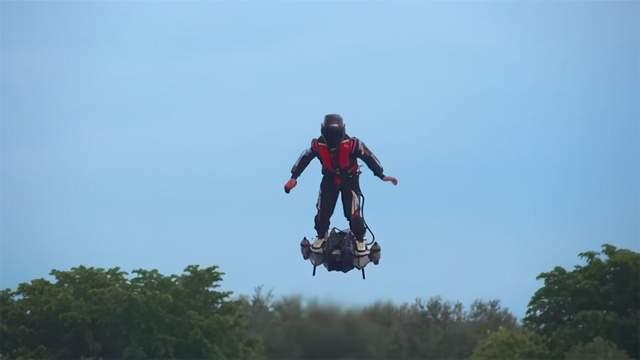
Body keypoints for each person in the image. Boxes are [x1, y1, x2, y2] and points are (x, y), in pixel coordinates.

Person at [284, 114, 398, 256]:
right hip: (329, 180)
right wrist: (294, 177)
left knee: (354, 214)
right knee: (323, 212)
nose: (333, 140)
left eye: (335, 135)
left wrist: (382, 175)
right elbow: (304, 158)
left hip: (350, 180)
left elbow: (369, 157)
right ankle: (321, 236)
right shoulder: (318, 145)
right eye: (329, 135)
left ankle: (359, 239)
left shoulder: (353, 145)